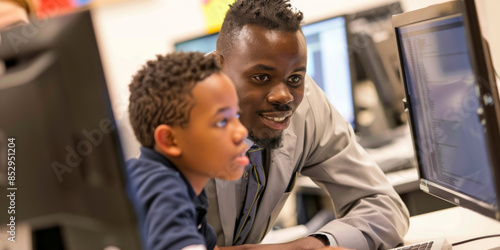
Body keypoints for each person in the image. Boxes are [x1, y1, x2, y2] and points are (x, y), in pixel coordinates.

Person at [205, 0, 410, 249]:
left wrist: (320, 243)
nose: (284, 96)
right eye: (261, 77)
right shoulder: (168, 123)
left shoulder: (308, 104)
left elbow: (383, 205)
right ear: (217, 68)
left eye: (295, 77)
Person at [126, 51, 250, 250]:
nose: (241, 132)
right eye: (222, 121)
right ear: (170, 140)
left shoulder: (189, 190)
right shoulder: (160, 186)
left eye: (236, 115)